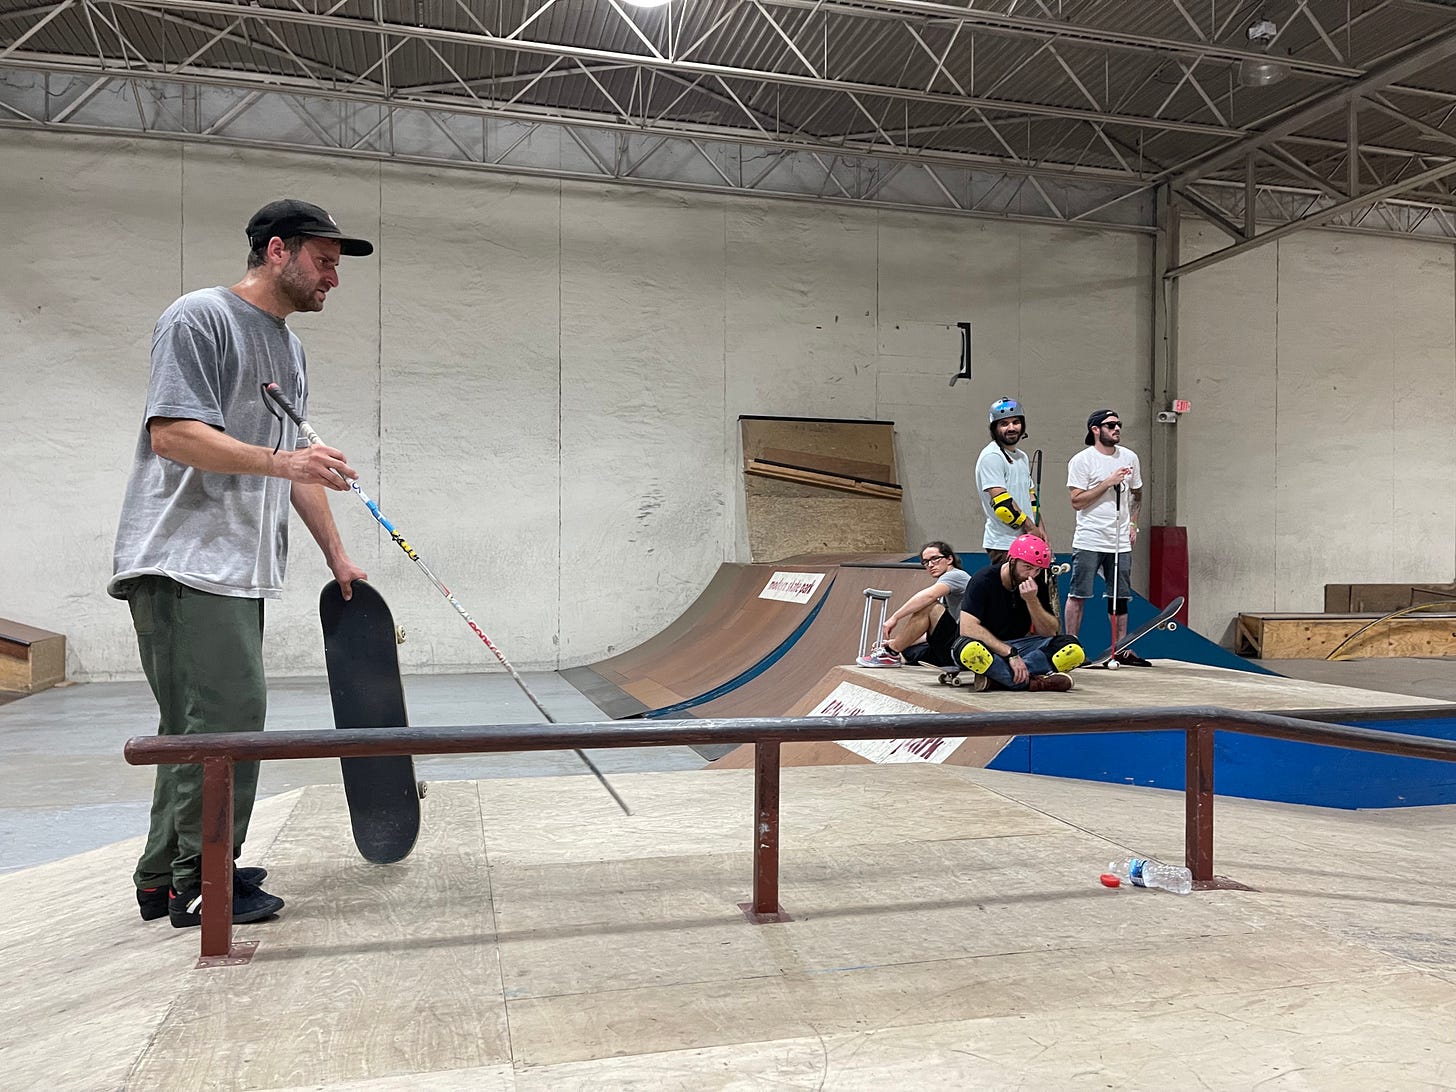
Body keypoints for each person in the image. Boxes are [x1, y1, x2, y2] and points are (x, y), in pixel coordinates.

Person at [109, 199, 373, 929]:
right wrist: (284, 458)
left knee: (194, 727)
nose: (333, 280)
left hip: (233, 567)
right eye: (324, 263)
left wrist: (338, 556)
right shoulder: (201, 318)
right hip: (184, 558)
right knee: (229, 723)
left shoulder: (288, 349)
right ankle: (206, 882)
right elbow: (174, 436)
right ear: (278, 250)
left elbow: (297, 471)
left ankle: (164, 877)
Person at [1064, 409, 1149, 666]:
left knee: (1120, 596)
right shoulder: (1082, 460)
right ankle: (1071, 647)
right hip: (1090, 537)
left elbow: (1137, 493)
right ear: (1095, 429)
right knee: (1079, 593)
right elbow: (1077, 501)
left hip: (1120, 539)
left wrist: (1133, 522)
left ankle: (1121, 647)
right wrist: (1107, 482)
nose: (1116, 429)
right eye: (1110, 425)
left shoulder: (1130, 457)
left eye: (1118, 424)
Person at [952, 534, 1085, 692]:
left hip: (1021, 645)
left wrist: (1031, 600)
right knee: (968, 649)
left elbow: (1050, 631)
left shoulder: (1037, 581)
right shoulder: (983, 580)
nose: (1032, 574)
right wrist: (1010, 654)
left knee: (1072, 648)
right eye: (1027, 567)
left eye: (1037, 570)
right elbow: (967, 628)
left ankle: (1000, 679)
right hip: (988, 647)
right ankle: (1034, 682)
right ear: (1012, 560)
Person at [856, 541, 970, 668]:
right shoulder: (949, 588)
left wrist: (895, 617)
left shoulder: (956, 575)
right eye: (926, 562)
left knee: (929, 606)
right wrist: (900, 642)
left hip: (965, 647)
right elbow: (931, 632)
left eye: (935, 559)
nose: (930, 565)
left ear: (949, 559)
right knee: (907, 651)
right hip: (954, 645)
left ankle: (890, 654)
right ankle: (894, 654)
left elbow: (928, 596)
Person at [976, 397, 1050, 565]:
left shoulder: (1021, 456)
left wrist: (1041, 531)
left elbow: (1031, 498)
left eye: (1016, 422)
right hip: (1004, 543)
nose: (1011, 428)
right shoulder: (992, 456)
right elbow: (1002, 505)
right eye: (1004, 424)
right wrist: (1032, 529)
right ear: (994, 429)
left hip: (1027, 540)